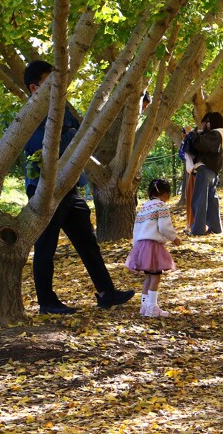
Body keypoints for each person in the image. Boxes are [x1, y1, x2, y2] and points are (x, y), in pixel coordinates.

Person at [22, 60, 134, 315]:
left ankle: (106, 293)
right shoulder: (29, 116)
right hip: (45, 190)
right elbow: (51, 147)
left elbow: (80, 134)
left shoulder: (62, 109)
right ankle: (46, 302)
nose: (57, 88)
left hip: (69, 187)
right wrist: (71, 135)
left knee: (87, 241)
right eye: (49, 83)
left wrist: (72, 134)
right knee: (46, 246)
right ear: (33, 87)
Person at [126, 179, 181, 317]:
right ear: (166, 194)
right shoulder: (161, 206)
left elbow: (136, 229)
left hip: (141, 246)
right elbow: (164, 227)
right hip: (153, 246)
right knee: (156, 276)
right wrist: (174, 238)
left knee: (148, 277)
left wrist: (136, 247)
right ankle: (152, 307)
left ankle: (144, 306)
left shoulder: (144, 207)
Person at [187, 111, 223, 236]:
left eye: (205, 122)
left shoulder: (215, 135)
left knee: (199, 200)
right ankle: (215, 227)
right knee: (211, 200)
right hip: (212, 171)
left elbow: (201, 144)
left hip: (205, 170)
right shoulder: (219, 136)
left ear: (210, 123)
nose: (203, 125)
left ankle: (198, 230)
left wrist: (191, 133)